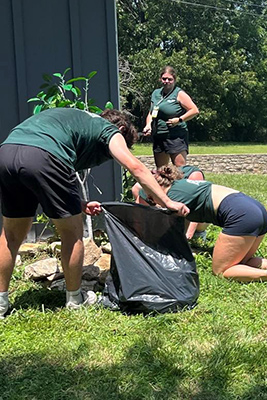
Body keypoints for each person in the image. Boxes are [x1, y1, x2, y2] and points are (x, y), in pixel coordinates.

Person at [0, 108, 190, 319]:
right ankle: (75, 300)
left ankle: (0, 304)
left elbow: (38, 174)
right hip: (46, 156)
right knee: (71, 235)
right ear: (121, 129)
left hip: (6, 152)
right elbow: (134, 166)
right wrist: (167, 201)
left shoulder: (78, 121)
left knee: (10, 236)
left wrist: (77, 203)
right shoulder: (109, 130)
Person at [145, 165, 267, 288]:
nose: (152, 201)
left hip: (241, 214)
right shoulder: (183, 185)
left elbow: (163, 232)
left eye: (150, 197)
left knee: (221, 271)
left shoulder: (172, 196)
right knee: (240, 263)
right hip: (256, 209)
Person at [142, 66, 199, 169]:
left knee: (179, 168)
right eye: (164, 79)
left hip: (175, 136)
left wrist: (179, 120)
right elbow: (151, 113)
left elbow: (194, 110)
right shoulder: (156, 93)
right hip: (159, 135)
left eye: (170, 79)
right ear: (160, 79)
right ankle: (164, 186)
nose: (167, 81)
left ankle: (181, 185)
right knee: (162, 170)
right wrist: (148, 125)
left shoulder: (179, 94)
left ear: (174, 80)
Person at [133, 164, 209, 240]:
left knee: (197, 221)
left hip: (196, 205)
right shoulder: (148, 189)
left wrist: (187, 237)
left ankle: (199, 233)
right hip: (163, 190)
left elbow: (195, 209)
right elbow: (137, 214)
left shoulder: (192, 179)